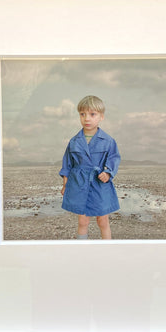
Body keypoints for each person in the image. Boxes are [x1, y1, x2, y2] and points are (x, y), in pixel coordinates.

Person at [60, 95, 120, 240]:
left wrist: (108, 172)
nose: (87, 118)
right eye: (82, 114)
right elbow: (67, 164)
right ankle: (82, 249)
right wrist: (65, 184)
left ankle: (107, 248)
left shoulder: (108, 141)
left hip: (100, 184)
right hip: (79, 183)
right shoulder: (74, 141)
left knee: (103, 221)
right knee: (83, 221)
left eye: (92, 114)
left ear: (101, 117)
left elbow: (114, 158)